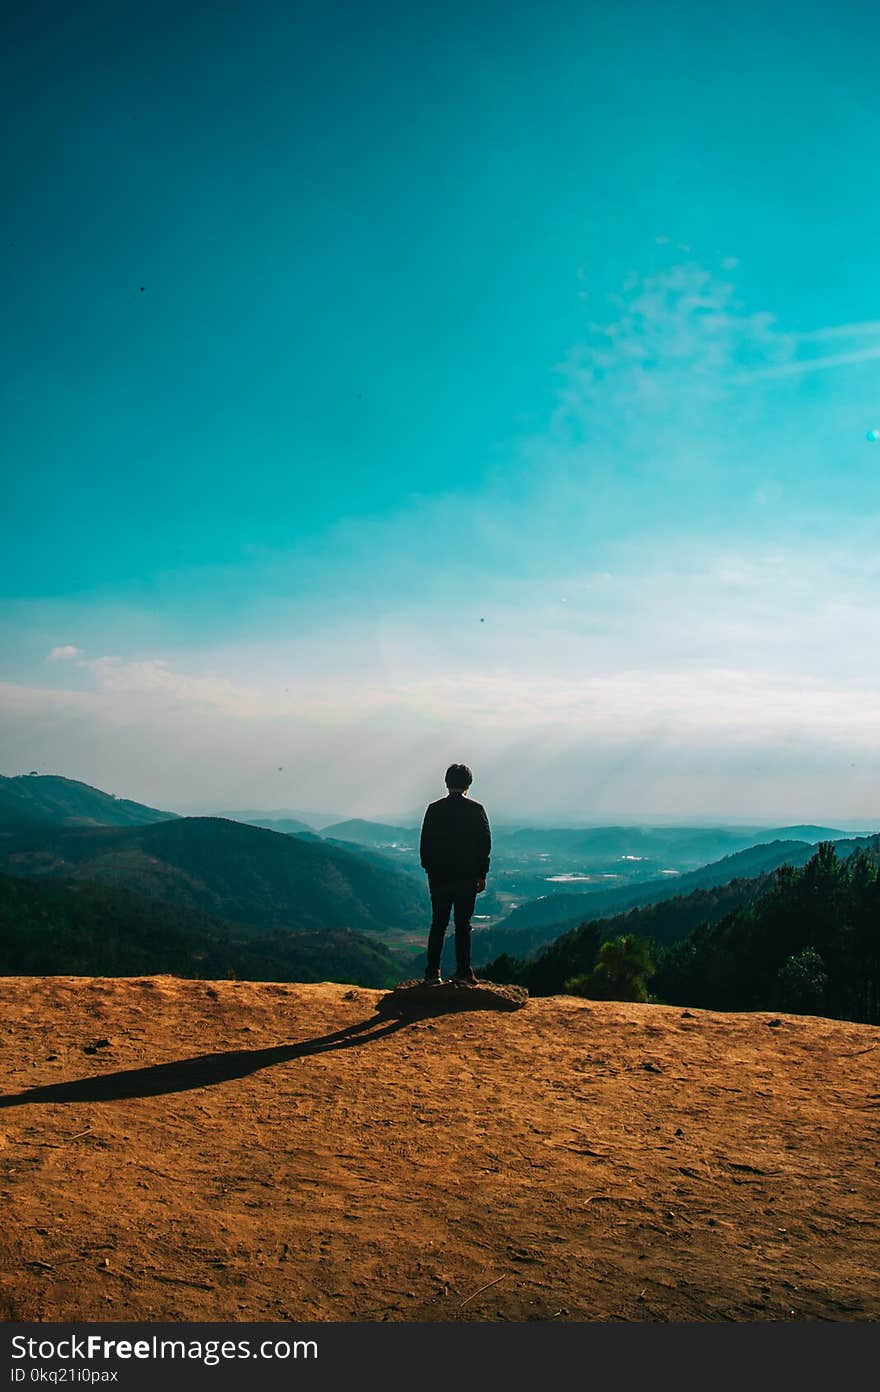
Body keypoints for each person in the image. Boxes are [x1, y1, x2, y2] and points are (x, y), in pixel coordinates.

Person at [420, 763, 491, 985]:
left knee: (438, 924)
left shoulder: (434, 809)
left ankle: (433, 973)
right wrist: (481, 873)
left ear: (446, 782)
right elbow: (484, 844)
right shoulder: (476, 809)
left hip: (440, 878)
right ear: (468, 784)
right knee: (463, 925)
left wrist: (430, 872)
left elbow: (425, 845)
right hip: (466, 878)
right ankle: (463, 971)